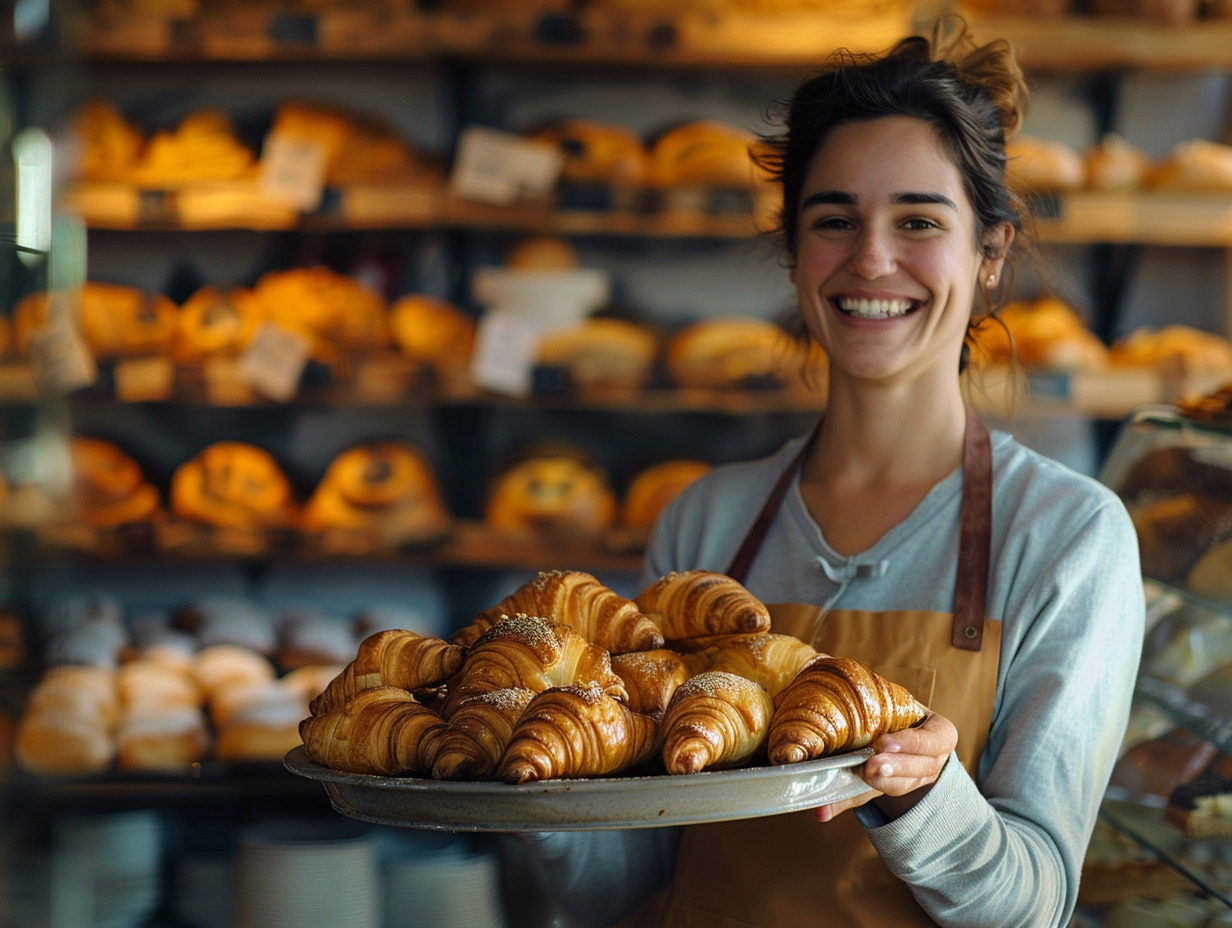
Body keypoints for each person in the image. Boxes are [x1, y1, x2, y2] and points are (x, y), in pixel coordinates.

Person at [510, 17, 1144, 927]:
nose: (872, 260)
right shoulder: (704, 525)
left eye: (919, 221)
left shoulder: (1068, 537)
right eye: (834, 219)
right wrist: (536, 778)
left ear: (991, 254)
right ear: (795, 250)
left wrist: (923, 800)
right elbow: (627, 883)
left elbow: (1035, 902)